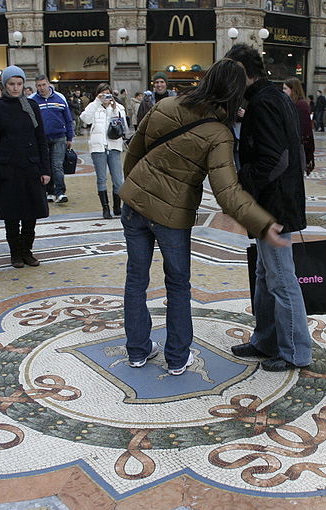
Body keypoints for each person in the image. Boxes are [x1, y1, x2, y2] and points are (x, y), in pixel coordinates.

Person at [120, 58, 287, 375]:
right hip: (171, 217)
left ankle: (137, 351)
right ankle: (177, 358)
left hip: (135, 207)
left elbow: (134, 153)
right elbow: (227, 191)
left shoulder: (166, 104)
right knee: (178, 285)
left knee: (135, 280)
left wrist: (137, 189)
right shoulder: (218, 134)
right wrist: (262, 223)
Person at [225, 43, 312, 372]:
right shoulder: (273, 97)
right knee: (265, 275)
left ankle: (294, 351)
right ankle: (265, 340)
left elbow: (277, 158)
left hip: (274, 207)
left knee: (281, 280)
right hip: (277, 202)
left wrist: (243, 179)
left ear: (243, 73)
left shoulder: (264, 102)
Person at [0, 66, 50, 268]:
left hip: (30, 166)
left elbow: (41, 139)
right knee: (12, 214)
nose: (15, 88)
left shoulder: (32, 106)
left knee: (31, 212)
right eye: (11, 84)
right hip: (7, 168)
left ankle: (27, 250)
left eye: (19, 84)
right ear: (5, 85)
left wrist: (45, 169)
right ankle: (15, 252)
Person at [80, 82, 128, 219]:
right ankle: (105, 208)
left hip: (114, 145)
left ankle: (117, 206)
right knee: (101, 179)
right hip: (98, 147)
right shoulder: (94, 106)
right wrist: (96, 102)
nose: (106, 96)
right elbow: (85, 119)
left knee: (118, 180)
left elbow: (124, 125)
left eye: (108, 93)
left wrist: (113, 108)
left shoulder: (118, 107)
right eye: (103, 93)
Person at [30, 75, 74, 204]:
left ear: (48, 84)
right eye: (39, 85)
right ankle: (49, 191)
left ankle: (60, 192)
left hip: (59, 137)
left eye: (44, 85)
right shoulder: (32, 100)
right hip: (41, 139)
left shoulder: (60, 98)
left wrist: (70, 137)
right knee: (45, 165)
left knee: (57, 165)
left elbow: (68, 119)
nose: (42, 88)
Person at [283, 77, 315, 175]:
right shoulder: (288, 103)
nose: (283, 91)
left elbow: (307, 131)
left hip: (298, 147)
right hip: (289, 147)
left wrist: (309, 155)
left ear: (293, 90)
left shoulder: (301, 105)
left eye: (285, 89)